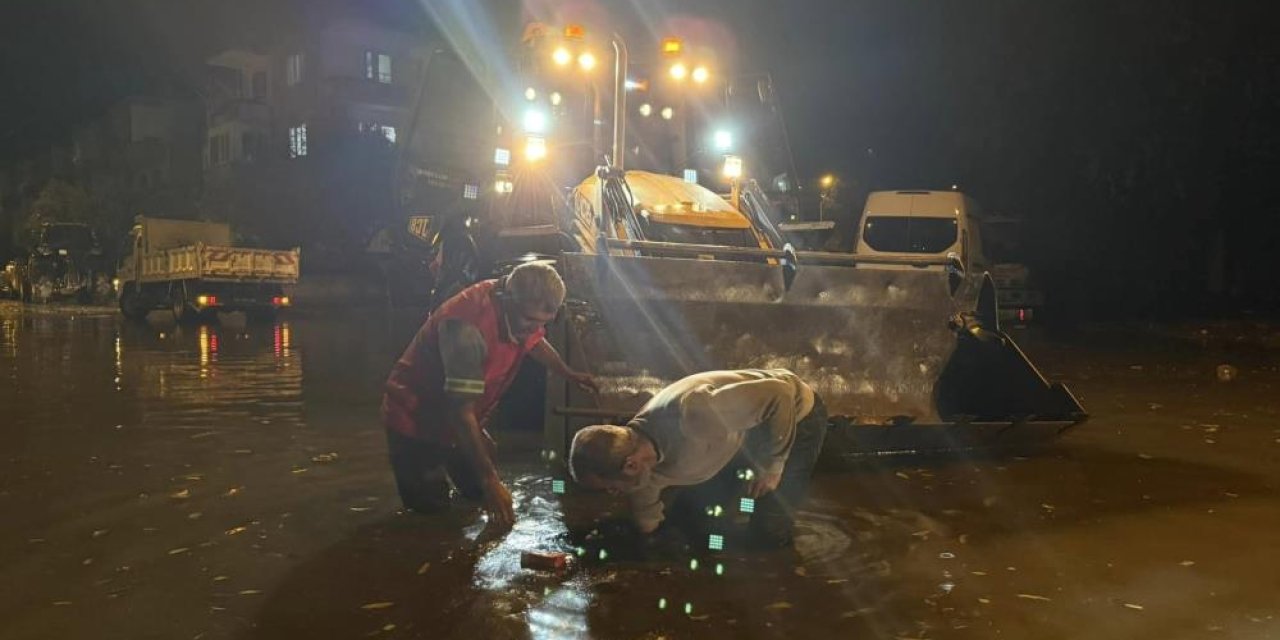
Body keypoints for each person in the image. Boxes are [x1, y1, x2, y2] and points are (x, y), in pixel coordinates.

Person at [382, 261, 597, 529]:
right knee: (429, 511)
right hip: (416, 416)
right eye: (529, 320)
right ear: (507, 299)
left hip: (459, 414)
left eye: (542, 323)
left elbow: (534, 341)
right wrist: (490, 479)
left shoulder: (516, 310)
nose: (534, 329)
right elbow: (459, 412)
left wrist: (569, 373)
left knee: (476, 492)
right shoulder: (466, 330)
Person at [568, 369, 827, 548]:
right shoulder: (638, 454)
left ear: (630, 465)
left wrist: (773, 465)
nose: (614, 494)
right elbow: (644, 499)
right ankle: (723, 540)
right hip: (737, 434)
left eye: (611, 488)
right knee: (691, 525)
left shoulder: (696, 414)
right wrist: (650, 536)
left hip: (792, 417)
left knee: (768, 536)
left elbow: (779, 394)